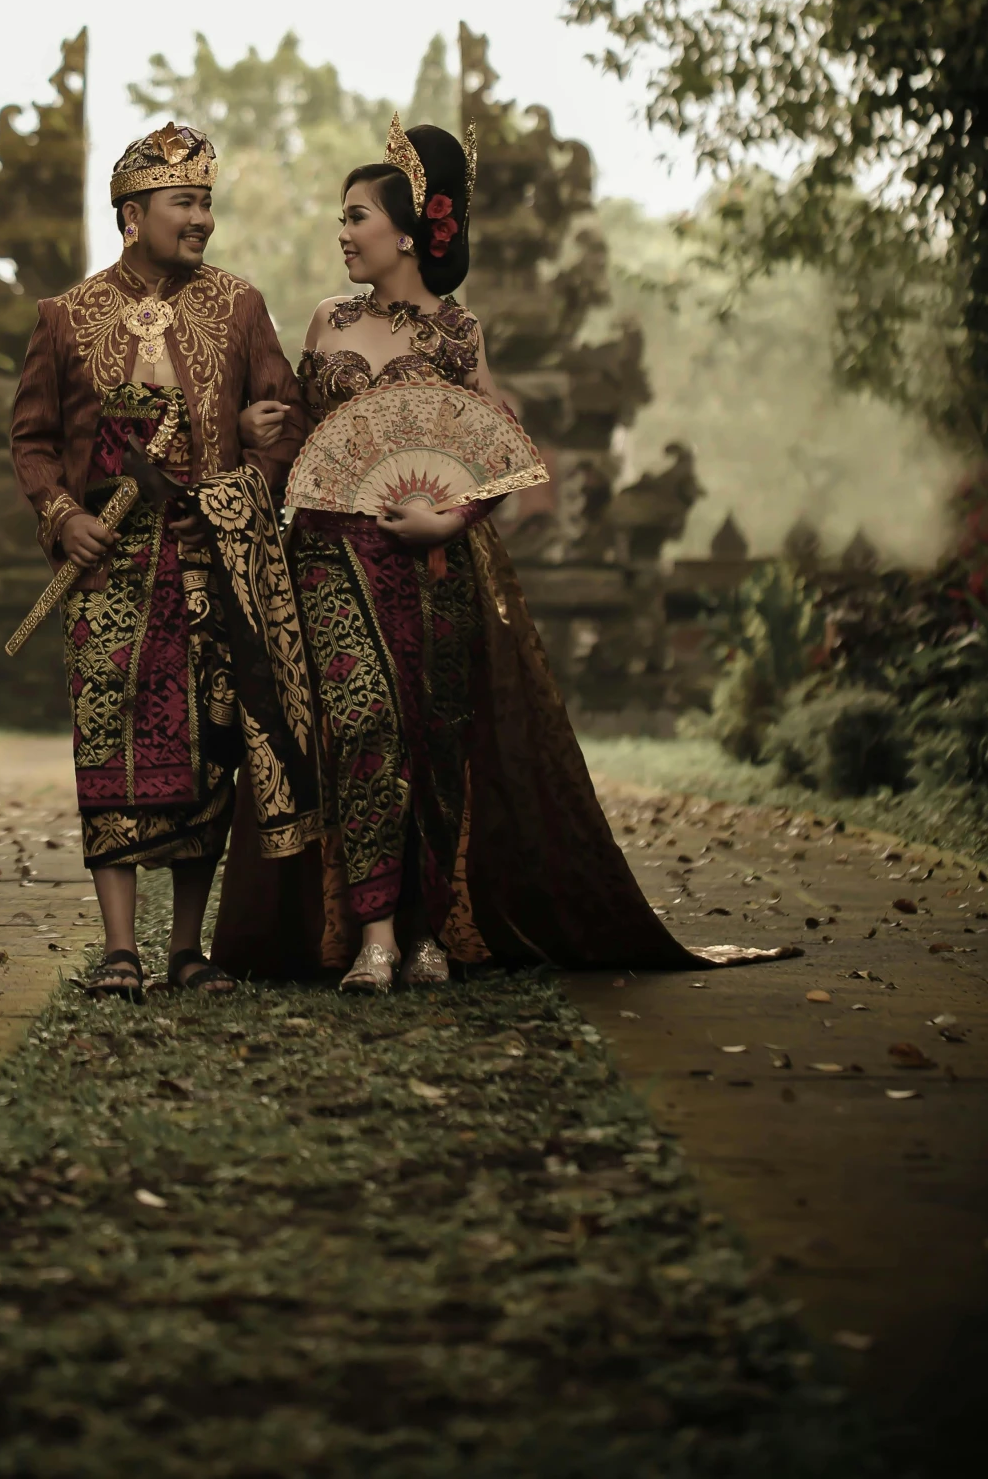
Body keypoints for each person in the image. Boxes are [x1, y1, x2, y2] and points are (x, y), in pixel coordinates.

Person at [212, 115, 793, 991]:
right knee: (362, 721)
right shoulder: (326, 323)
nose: (341, 233)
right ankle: (370, 934)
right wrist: (262, 426)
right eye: (340, 219)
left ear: (406, 230)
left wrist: (453, 519)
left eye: (355, 216)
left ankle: (430, 927)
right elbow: (302, 443)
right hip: (330, 554)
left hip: (433, 565)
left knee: (433, 736)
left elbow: (506, 453)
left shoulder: (458, 335)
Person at [11, 120, 320, 1002]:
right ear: (131, 211)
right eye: (185, 203)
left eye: (208, 203)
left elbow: (284, 414)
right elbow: (31, 440)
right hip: (107, 574)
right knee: (109, 748)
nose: (202, 221)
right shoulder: (63, 318)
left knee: (206, 755)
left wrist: (245, 483)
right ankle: (120, 951)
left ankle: (187, 951)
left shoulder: (239, 305)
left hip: (206, 566)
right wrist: (63, 515)